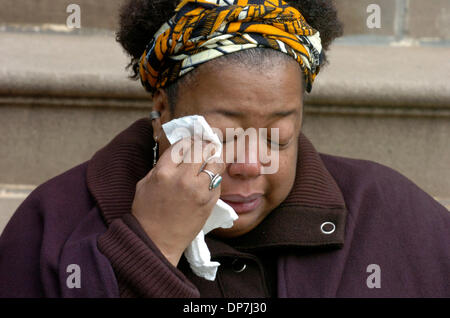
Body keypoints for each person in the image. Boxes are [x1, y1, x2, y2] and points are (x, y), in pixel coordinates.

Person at [0, 0, 449, 298]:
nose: (251, 163)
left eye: (278, 138)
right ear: (163, 112)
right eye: (223, 136)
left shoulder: (397, 219)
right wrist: (150, 247)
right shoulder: (54, 227)